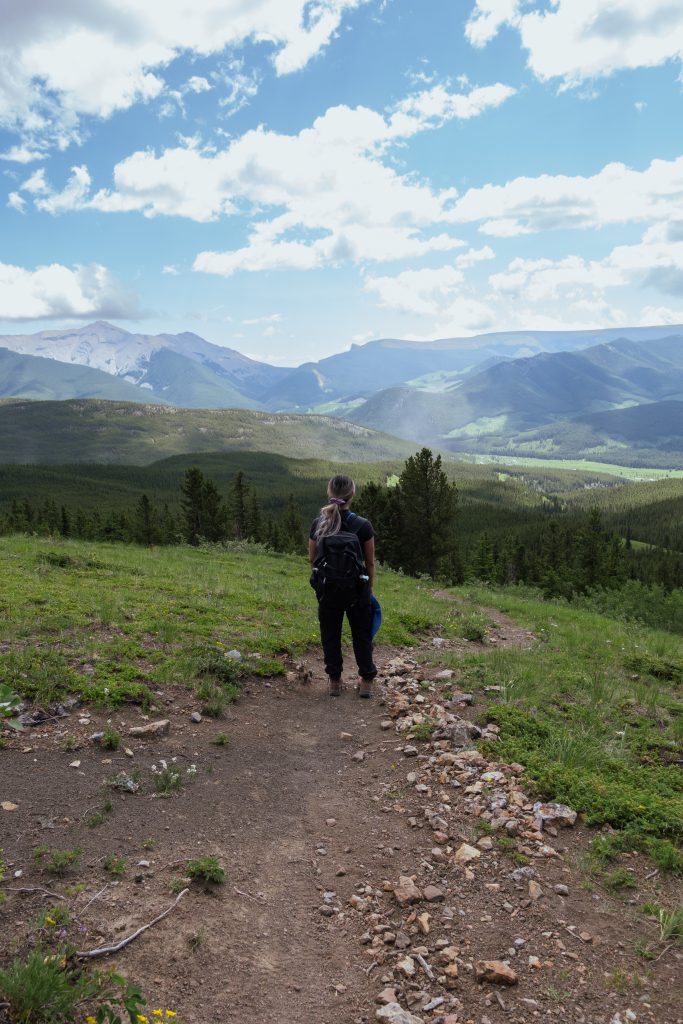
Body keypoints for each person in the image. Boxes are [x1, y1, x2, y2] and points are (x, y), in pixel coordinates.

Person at [309, 474, 377, 698]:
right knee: (361, 634)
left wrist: (322, 583)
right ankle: (366, 681)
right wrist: (370, 589)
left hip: (328, 590)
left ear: (330, 494)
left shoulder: (319, 523)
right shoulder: (363, 525)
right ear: (352, 495)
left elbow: (313, 559)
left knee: (330, 634)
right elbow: (369, 562)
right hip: (357, 590)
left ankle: (335, 681)